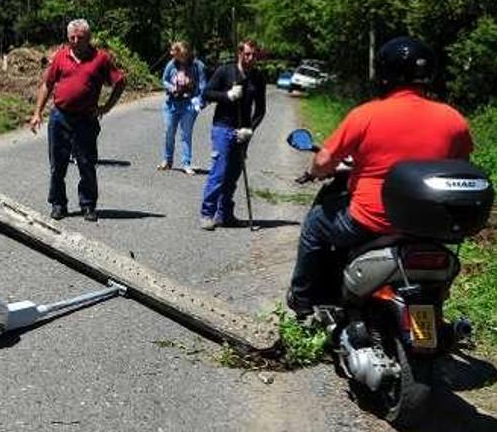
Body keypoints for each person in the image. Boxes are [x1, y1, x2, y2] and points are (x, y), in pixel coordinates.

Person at [286, 37, 474, 317]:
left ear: (386, 75)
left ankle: (301, 300)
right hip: (428, 225)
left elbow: (324, 160)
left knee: (315, 224)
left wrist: (313, 172)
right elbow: (461, 165)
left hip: (369, 220)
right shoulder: (454, 120)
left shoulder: (367, 114)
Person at [28, 19, 126, 222]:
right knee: (57, 164)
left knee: (86, 163)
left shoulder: (101, 58)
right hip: (60, 117)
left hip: (86, 119)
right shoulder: (61, 56)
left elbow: (119, 82)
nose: (75, 40)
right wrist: (37, 113)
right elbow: (47, 84)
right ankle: (58, 203)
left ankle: (88, 205)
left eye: (79, 37)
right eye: (71, 37)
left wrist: (106, 107)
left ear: (88, 38)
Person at [199, 39, 266, 230]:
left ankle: (225, 214)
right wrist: (227, 96)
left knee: (234, 174)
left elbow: (260, 110)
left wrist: (250, 129)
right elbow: (207, 93)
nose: (250, 58)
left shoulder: (258, 78)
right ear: (239, 53)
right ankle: (207, 214)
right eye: (247, 54)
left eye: (254, 55)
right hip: (223, 127)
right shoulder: (226, 71)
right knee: (219, 171)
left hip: (242, 132)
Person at [158, 41, 208, 175]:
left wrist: (200, 103)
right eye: (176, 55)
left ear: (187, 53)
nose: (178, 58)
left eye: (180, 55)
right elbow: (164, 80)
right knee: (169, 131)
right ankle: (167, 160)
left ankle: (186, 163)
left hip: (189, 104)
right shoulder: (172, 64)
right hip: (171, 103)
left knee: (186, 134)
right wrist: (171, 87)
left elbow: (203, 86)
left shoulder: (198, 66)